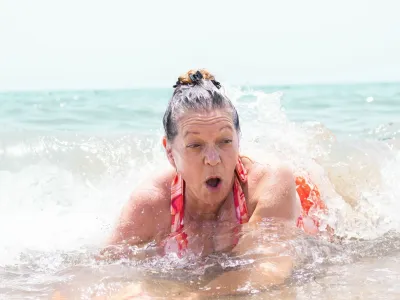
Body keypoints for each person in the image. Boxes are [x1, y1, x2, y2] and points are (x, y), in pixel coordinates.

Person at [99, 69, 331, 298]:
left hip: (304, 207)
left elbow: (269, 268)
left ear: (239, 141)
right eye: (195, 145)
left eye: (225, 141)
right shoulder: (152, 202)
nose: (213, 159)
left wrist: (193, 297)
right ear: (170, 153)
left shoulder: (269, 183)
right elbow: (102, 270)